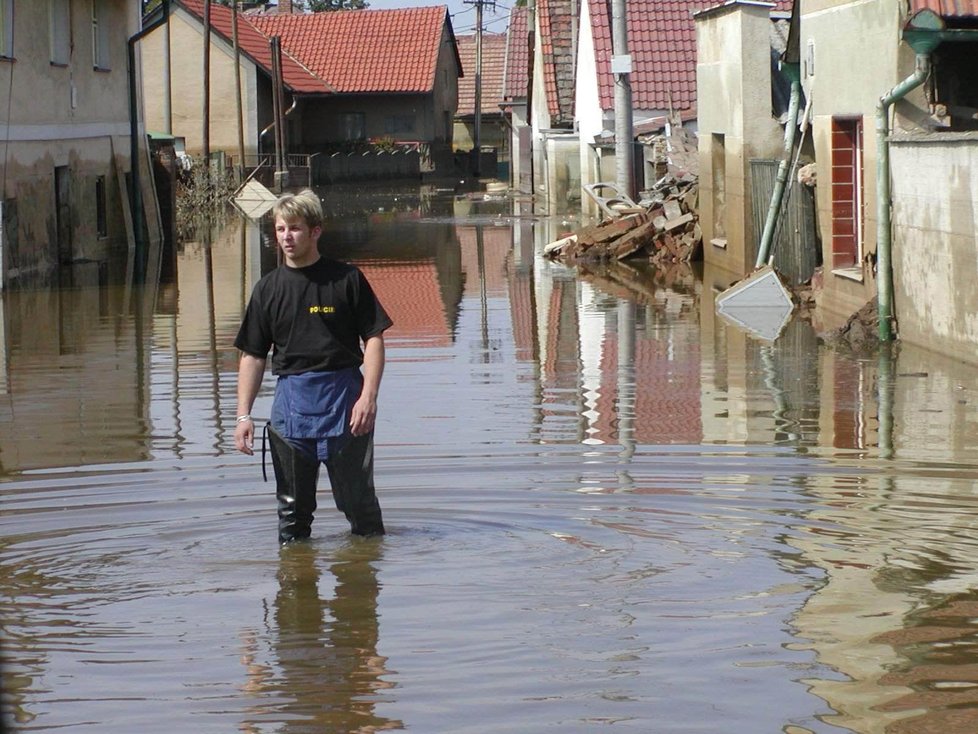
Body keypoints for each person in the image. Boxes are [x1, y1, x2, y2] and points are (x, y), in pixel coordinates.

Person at [233, 189, 393, 544]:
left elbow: (375, 339)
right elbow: (253, 356)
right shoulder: (267, 290)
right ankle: (294, 592)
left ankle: (361, 585)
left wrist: (369, 397)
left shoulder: (346, 280)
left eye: (294, 228)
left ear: (315, 231)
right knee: (292, 515)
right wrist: (243, 415)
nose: (287, 237)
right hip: (291, 410)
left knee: (360, 507)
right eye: (279, 229)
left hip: (346, 406)